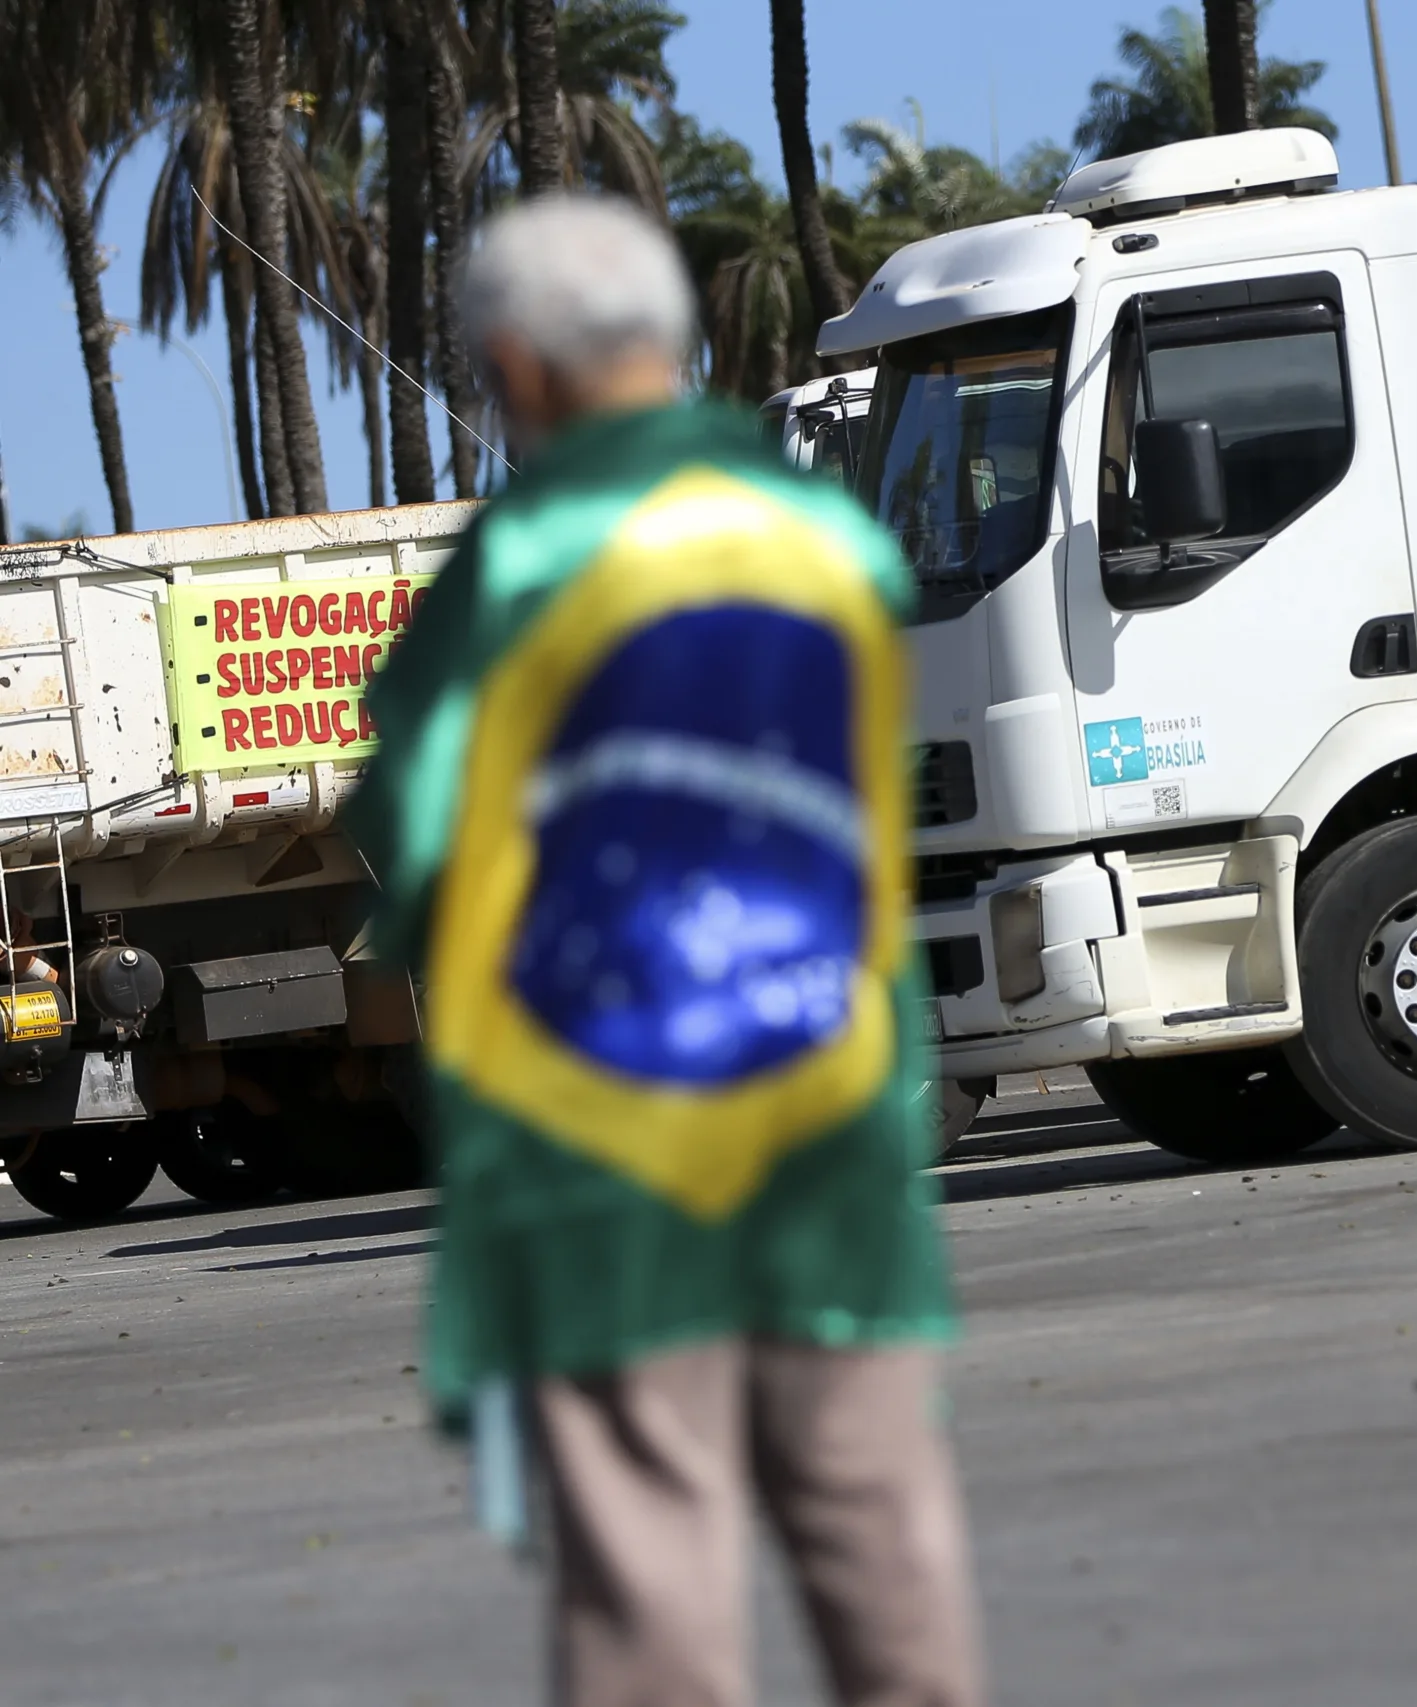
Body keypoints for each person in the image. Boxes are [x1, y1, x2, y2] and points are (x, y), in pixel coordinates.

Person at [347, 194, 982, 1707]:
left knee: (652, 1569)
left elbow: (418, 831)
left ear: (517, 363)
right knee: (878, 1523)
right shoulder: (825, 534)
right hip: (831, 1114)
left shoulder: (521, 562)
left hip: (605, 1143)